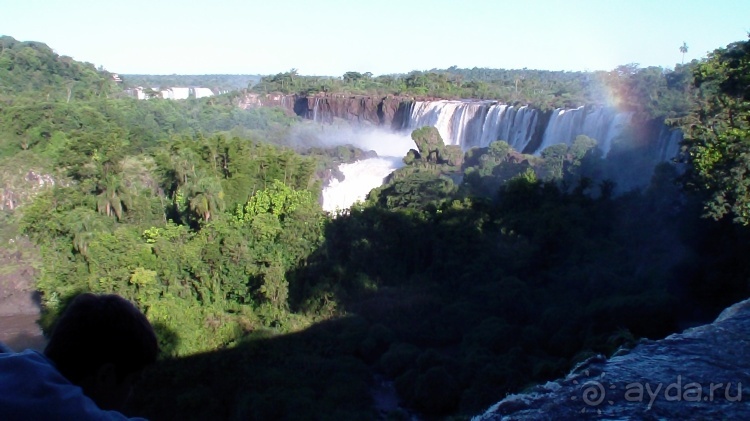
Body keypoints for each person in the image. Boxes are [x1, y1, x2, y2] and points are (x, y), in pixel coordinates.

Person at [0, 293, 159, 420]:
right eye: (133, 382)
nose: (131, 394)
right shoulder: (61, 407)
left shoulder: (17, 366)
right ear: (105, 376)